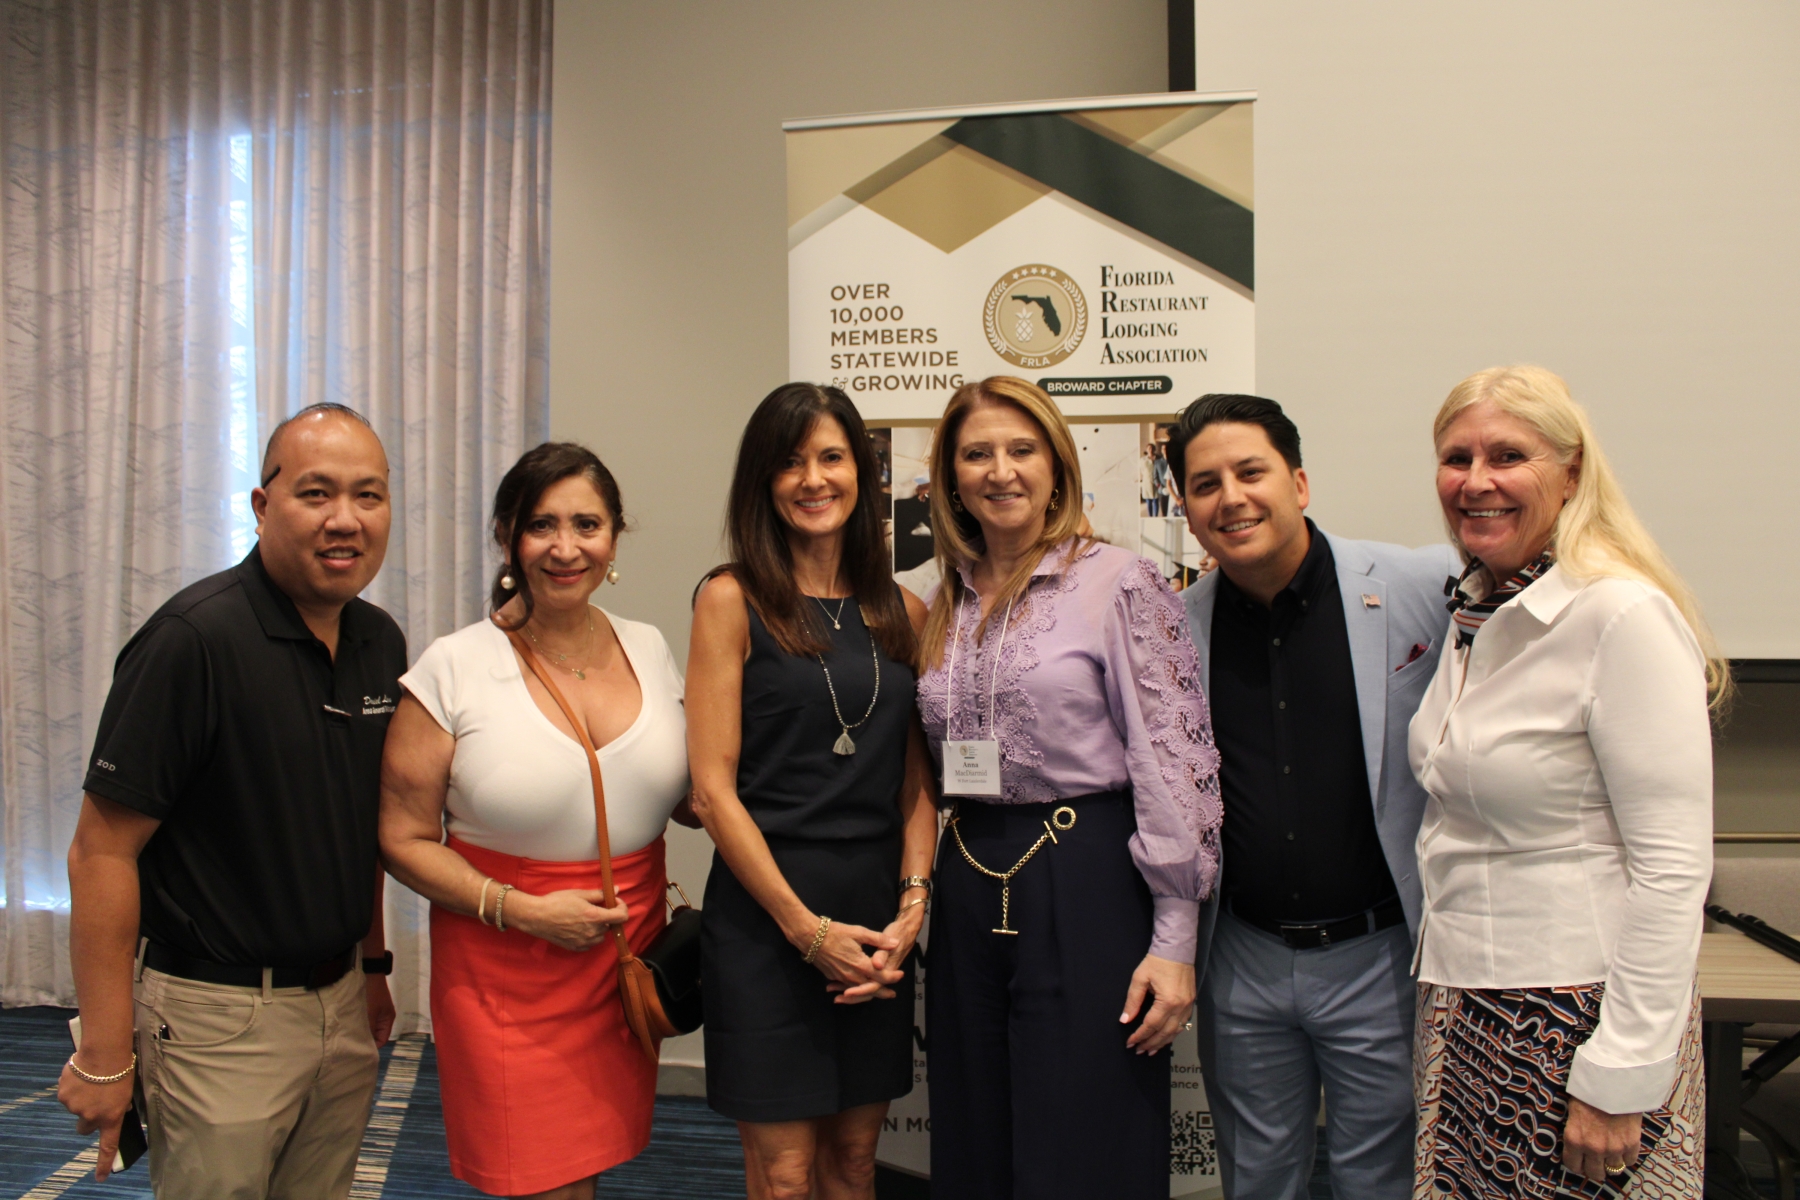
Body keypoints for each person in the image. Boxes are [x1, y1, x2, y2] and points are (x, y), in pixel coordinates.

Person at [59, 403, 403, 1198]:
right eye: (316, 493)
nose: (345, 519)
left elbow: (358, 828)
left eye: (369, 495)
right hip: (218, 1020)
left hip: (340, 1005)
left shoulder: (379, 641)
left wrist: (374, 968)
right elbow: (100, 851)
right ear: (261, 504)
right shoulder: (193, 640)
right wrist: (104, 1053)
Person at [1409, 365, 1722, 1196]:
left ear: (1572, 473)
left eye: (1508, 456)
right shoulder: (1481, 608)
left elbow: (1673, 868)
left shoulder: (1620, 616)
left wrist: (1621, 1071)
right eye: (1456, 458)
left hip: (1577, 1021)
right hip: (1466, 1004)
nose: (1476, 480)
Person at [916, 375, 1222, 1199]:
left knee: (1087, 1136)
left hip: (1087, 872)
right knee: (975, 1133)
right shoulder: (938, 598)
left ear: (1057, 466)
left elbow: (1173, 762)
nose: (1000, 470)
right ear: (950, 478)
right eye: (977, 454)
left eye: (1022, 450)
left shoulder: (1120, 582)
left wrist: (1174, 940)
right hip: (969, 875)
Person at [1166, 393, 1459, 1199]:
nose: (1231, 498)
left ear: (1298, 483)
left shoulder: (1419, 584)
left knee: (1380, 1181)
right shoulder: (1175, 628)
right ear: (1186, 509)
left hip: (1381, 955)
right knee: (1258, 1179)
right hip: (1243, 960)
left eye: (1250, 472)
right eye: (1205, 484)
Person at [380, 443, 689, 1200]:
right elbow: (401, 838)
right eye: (542, 525)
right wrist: (520, 909)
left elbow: (685, 793)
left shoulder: (648, 646)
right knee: (540, 1180)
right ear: (507, 537)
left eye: (587, 524)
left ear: (614, 537)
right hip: (505, 966)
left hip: (624, 955)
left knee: (587, 1170)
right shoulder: (453, 667)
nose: (565, 547)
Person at [687, 383, 938, 1200]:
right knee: (786, 1175)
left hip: (873, 920)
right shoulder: (731, 599)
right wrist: (804, 930)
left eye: (832, 457)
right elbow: (712, 792)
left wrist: (913, 905)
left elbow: (916, 784)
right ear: (763, 480)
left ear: (863, 472)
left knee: (856, 1163)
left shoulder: (903, 610)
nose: (813, 479)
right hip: (767, 922)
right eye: (791, 462)